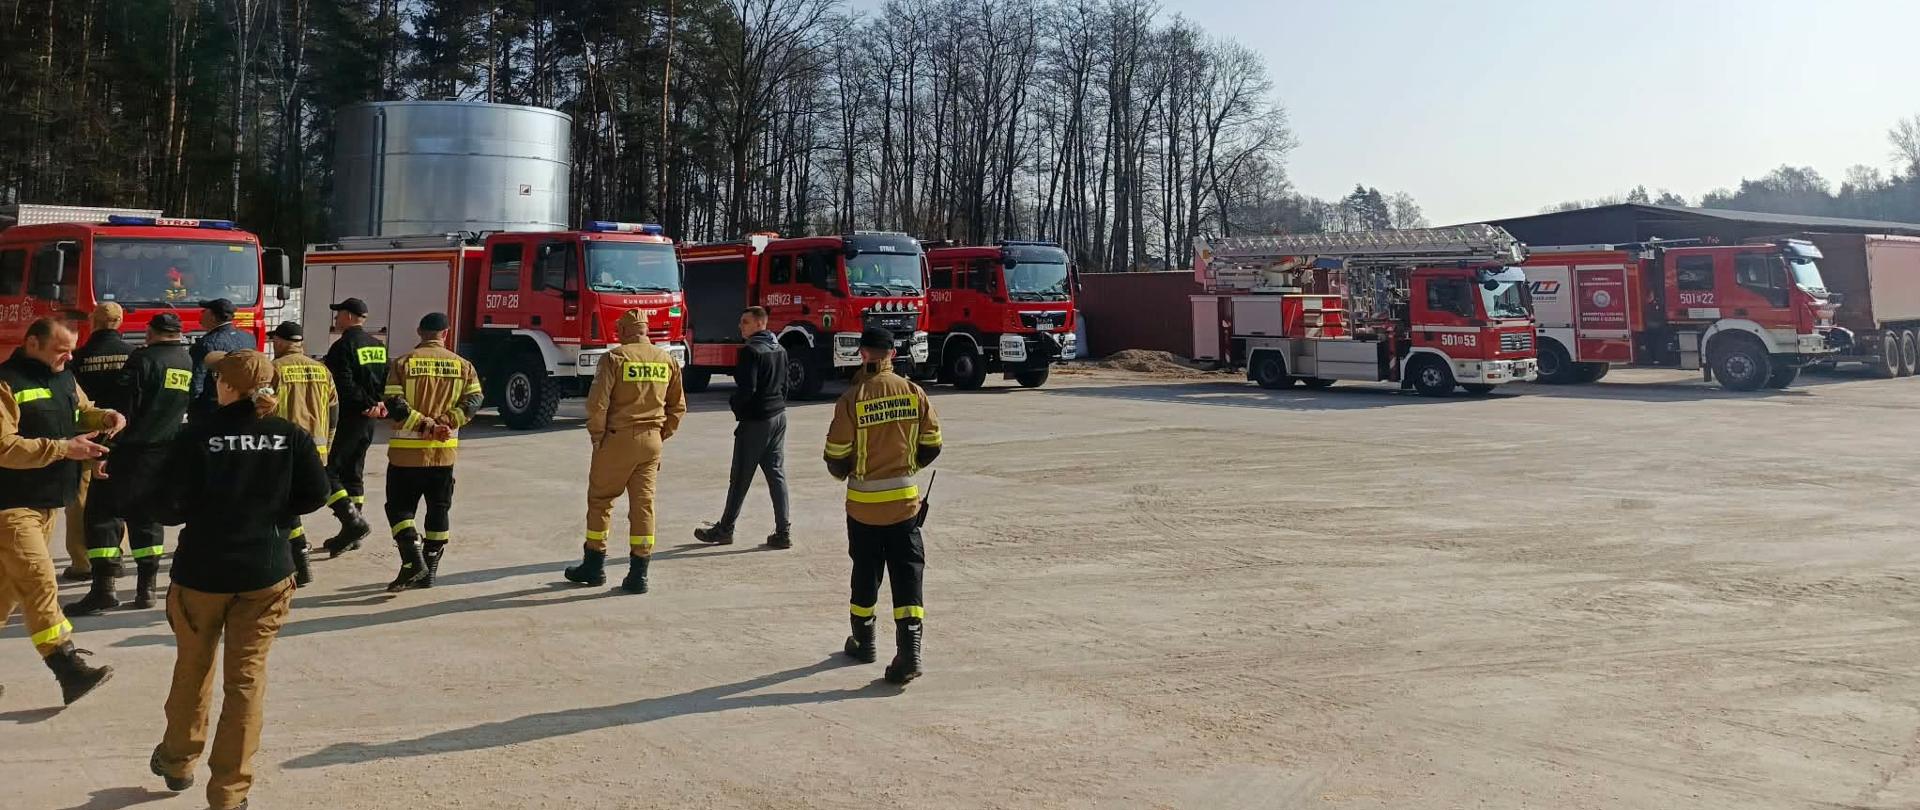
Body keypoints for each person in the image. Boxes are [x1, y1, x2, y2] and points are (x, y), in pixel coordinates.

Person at [148, 350, 328, 810]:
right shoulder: (290, 436)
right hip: (265, 572)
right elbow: (317, 493)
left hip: (201, 573)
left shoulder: (195, 436)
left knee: (192, 668)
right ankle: (229, 792)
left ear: (227, 387)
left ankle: (178, 760)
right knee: (245, 681)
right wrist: (273, 515)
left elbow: (168, 506)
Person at [0, 318, 119, 704]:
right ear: (32, 343)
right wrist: (65, 449)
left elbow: (80, 410)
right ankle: (68, 669)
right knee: (40, 582)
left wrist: (103, 417)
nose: (68, 357)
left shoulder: (65, 377)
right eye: (60, 350)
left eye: (71, 350)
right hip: (10, 506)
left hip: (47, 502)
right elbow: (4, 447)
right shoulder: (6, 383)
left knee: (4, 595)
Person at [824, 327, 942, 685]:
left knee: (865, 573)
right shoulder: (913, 392)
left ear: (863, 354)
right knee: (908, 576)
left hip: (863, 508)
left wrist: (853, 472)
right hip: (905, 507)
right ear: (892, 353)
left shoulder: (852, 398)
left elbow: (835, 456)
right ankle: (910, 653)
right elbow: (933, 443)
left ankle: (864, 641)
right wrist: (907, 467)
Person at [69, 312, 194, 615]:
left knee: (102, 516)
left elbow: (125, 410)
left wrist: (104, 452)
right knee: (147, 517)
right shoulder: (185, 360)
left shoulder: (143, 360)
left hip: (129, 452)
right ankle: (146, 589)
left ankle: (103, 590)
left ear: (151, 331)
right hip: (162, 453)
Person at [565, 309, 686, 593]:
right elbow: (678, 407)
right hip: (652, 441)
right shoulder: (666, 360)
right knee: (643, 506)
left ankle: (594, 566)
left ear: (624, 331)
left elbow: (597, 404)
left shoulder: (615, 358)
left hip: (617, 440)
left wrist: (598, 438)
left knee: (601, 500)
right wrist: (660, 434)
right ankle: (639, 574)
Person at [379, 312, 480, 592]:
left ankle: (413, 560)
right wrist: (446, 422)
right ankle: (430, 567)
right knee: (439, 508)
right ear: (445, 333)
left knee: (399, 509)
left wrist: (426, 425)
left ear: (419, 331)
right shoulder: (463, 365)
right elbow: (475, 400)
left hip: (405, 456)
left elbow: (394, 404)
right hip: (442, 455)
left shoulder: (403, 363)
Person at [694, 306, 792, 548]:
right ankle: (783, 532)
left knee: (740, 477)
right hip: (778, 416)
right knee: (776, 474)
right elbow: (785, 385)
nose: (740, 326)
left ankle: (725, 530)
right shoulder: (779, 348)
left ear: (760, 323)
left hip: (757, 421)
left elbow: (747, 389)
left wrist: (736, 406)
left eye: (745, 322)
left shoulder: (751, 351)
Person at [62, 303, 133, 582]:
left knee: (79, 501)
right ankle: (114, 558)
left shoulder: (78, 356)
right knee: (115, 499)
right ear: (120, 322)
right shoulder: (132, 355)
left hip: (84, 435)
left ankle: (82, 563)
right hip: (119, 433)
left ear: (93, 322)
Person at [269, 321, 336, 586]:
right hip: (317, 449)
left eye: (275, 341)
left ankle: (300, 560)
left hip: (284, 450)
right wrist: (328, 445)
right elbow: (333, 411)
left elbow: (263, 410)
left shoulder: (274, 370)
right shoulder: (322, 370)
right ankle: (299, 558)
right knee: (291, 504)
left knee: (284, 505)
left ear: (281, 342)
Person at [319, 297, 384, 556]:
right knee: (354, 472)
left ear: (348, 316)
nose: (336, 319)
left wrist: (364, 404)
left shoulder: (342, 346)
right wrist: (376, 404)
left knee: (330, 472)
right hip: (369, 419)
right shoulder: (378, 346)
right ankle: (353, 531)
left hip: (349, 417)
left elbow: (342, 383)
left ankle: (352, 523)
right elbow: (384, 379)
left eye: (338, 314)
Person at [189, 298, 252, 424]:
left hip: (211, 406)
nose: (201, 314)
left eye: (204, 311)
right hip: (242, 401)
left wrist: (192, 406)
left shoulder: (205, 344)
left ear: (213, 317)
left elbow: (196, 382)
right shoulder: (248, 337)